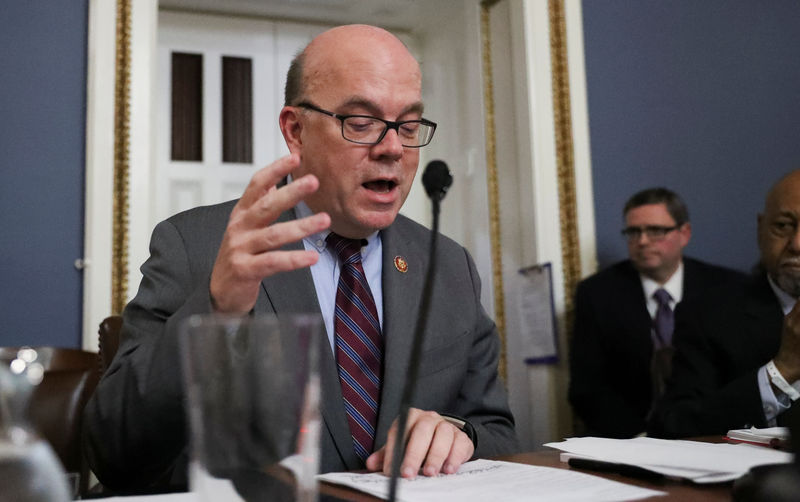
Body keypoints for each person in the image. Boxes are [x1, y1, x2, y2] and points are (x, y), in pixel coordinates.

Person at [83, 24, 517, 493]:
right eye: (361, 122)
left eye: (408, 126)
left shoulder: (449, 267)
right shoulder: (197, 244)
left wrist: (458, 434)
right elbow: (114, 454)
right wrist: (217, 308)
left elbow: (499, 433)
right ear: (295, 130)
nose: (393, 147)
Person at [568, 188, 743, 438]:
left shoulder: (725, 288)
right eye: (633, 232)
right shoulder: (597, 293)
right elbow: (587, 387)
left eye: (655, 231)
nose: (642, 241)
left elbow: (738, 376)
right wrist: (638, 439)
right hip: (629, 438)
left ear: (684, 233)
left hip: (713, 434)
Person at [649, 170, 800, 438]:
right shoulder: (708, 314)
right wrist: (781, 371)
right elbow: (675, 424)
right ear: (761, 228)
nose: (797, 244)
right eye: (784, 226)